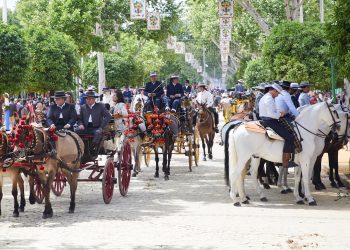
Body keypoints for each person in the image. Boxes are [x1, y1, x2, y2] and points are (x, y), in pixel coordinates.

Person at [259, 83, 296, 168]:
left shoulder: (267, 97)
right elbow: (272, 114)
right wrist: (281, 114)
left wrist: (279, 113)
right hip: (270, 121)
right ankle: (286, 162)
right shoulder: (269, 99)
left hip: (268, 119)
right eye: (277, 93)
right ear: (274, 91)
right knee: (289, 137)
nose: (278, 95)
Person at [76, 90, 112, 157]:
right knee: (75, 131)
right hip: (85, 128)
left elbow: (108, 116)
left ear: (94, 99)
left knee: (98, 133)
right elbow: (79, 119)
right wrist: (80, 124)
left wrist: (101, 127)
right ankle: (78, 148)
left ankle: (91, 149)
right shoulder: (83, 107)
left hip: (96, 128)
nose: (88, 100)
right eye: (87, 99)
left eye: (90, 99)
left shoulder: (100, 106)